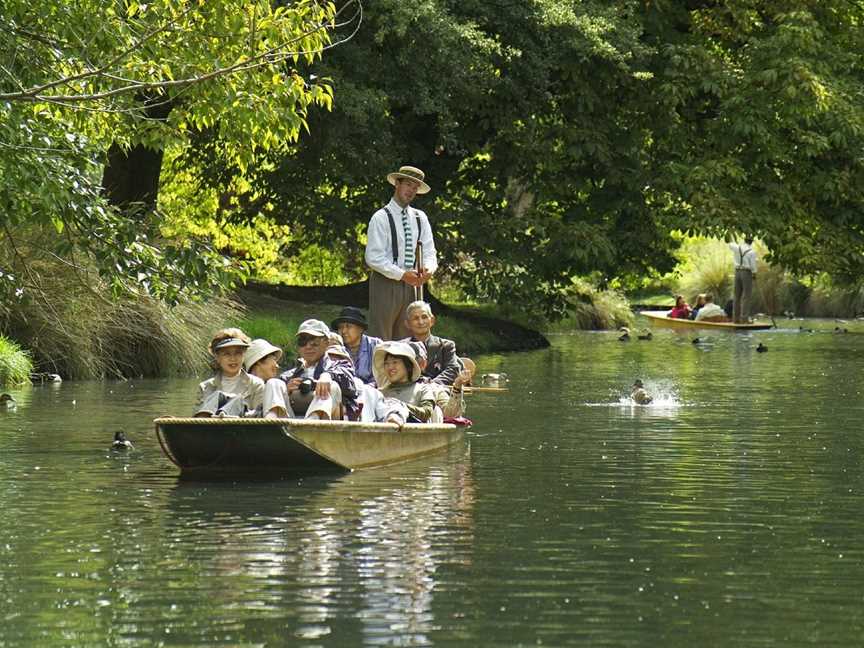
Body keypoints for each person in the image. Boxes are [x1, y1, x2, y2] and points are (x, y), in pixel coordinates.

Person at [364, 166, 438, 340]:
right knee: (381, 336)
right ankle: (378, 367)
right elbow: (373, 257)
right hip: (386, 283)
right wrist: (402, 274)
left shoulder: (420, 218)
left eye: (415, 187)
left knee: (409, 337)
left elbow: (429, 251)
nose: (411, 190)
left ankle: (409, 367)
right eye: (408, 185)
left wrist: (428, 269)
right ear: (397, 184)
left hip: (413, 284)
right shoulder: (380, 217)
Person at [278, 319, 359, 420]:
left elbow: (348, 383)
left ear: (327, 343)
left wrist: (327, 376)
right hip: (290, 421)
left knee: (332, 386)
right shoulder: (289, 375)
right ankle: (271, 424)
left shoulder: (340, 366)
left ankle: (312, 423)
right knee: (274, 383)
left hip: (326, 425)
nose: (308, 346)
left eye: (314, 342)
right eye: (302, 341)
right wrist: (286, 390)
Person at [196, 328, 264, 417]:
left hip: (242, 428)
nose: (233, 359)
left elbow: (260, 417)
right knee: (217, 396)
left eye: (238, 353)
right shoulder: (205, 387)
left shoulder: (256, 384)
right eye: (227, 354)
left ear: (244, 355)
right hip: (210, 428)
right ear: (217, 357)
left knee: (237, 400)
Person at [373, 341, 441, 423]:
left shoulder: (423, 389)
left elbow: (427, 412)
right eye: (386, 364)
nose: (390, 367)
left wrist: (400, 406)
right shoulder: (379, 393)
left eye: (395, 362)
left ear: (408, 366)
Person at [402, 300, 461, 385]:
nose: (421, 322)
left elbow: (452, 369)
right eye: (415, 318)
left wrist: (432, 384)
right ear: (407, 324)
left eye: (424, 317)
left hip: (439, 391)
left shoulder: (446, 346)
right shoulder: (402, 347)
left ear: (432, 320)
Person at [331, 306, 382, 384]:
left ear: (361, 329)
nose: (344, 331)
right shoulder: (336, 348)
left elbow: (382, 375)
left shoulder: (376, 345)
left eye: (348, 326)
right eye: (340, 327)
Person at [243, 338, 287, 418]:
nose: (277, 366)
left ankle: (271, 419)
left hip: (285, 426)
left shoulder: (277, 385)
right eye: (274, 360)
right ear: (259, 361)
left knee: (274, 383)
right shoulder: (241, 389)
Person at [729, 237, 758, 323]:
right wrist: (754, 273)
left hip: (737, 272)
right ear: (751, 242)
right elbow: (753, 265)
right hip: (746, 272)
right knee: (746, 296)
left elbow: (730, 244)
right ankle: (744, 319)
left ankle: (735, 319)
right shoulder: (751, 252)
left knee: (736, 295)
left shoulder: (737, 247)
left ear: (744, 241)